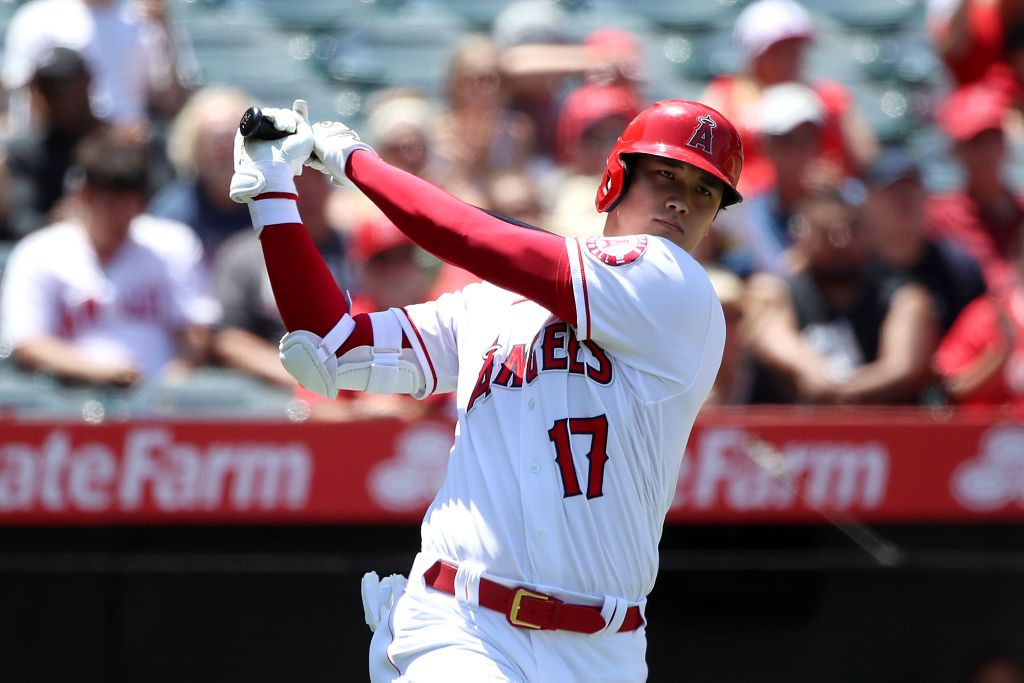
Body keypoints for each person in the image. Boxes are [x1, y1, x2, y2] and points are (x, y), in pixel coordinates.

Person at [229, 97, 741, 682]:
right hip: (461, 623)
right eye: (665, 174)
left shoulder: (679, 292)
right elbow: (330, 347)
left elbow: (473, 238)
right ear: (615, 178)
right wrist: (271, 192)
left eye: (705, 191)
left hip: (603, 649)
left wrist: (353, 159)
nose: (681, 199)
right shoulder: (494, 304)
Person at [0, 128, 219, 387]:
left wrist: (176, 376)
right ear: (84, 196)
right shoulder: (39, 252)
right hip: (67, 399)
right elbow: (28, 343)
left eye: (130, 203)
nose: (121, 216)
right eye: (111, 203)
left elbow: (195, 331)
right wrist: (99, 371)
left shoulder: (172, 244)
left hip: (158, 402)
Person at [745, 187, 938, 404]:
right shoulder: (778, 293)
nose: (840, 242)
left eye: (851, 230)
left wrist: (838, 389)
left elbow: (902, 367)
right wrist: (813, 371)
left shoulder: (903, 297)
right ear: (802, 237)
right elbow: (773, 340)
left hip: (882, 429)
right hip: (797, 432)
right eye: (826, 233)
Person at [700, 0, 877, 196]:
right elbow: (702, 161)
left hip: (820, 206)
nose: (789, 56)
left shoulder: (831, 99)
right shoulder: (725, 97)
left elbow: (868, 161)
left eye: (795, 46)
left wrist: (835, 183)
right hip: (745, 209)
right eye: (777, 48)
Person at [211, 169, 353, 389]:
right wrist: (304, 380)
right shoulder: (244, 256)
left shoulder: (356, 249)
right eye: (295, 185)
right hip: (275, 389)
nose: (307, 193)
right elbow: (230, 340)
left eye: (315, 182)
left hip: (354, 376)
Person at [1, 0, 186, 133]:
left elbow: (170, 104)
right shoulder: (38, 18)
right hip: (60, 139)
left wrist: (164, 29)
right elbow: (21, 91)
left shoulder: (143, 23)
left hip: (129, 146)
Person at [862, 147, 986, 334]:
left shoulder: (959, 268)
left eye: (911, 190)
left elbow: (980, 336)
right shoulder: (854, 271)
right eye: (893, 193)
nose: (905, 201)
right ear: (869, 203)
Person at [3, 46, 104, 240]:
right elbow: (22, 221)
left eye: (61, 87)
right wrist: (56, 222)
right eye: (44, 89)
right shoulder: (26, 151)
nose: (52, 98)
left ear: (86, 80)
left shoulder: (118, 142)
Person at [148, 87, 256, 260]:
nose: (223, 150)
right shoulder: (171, 214)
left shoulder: (271, 207)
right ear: (192, 145)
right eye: (214, 140)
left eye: (231, 137)